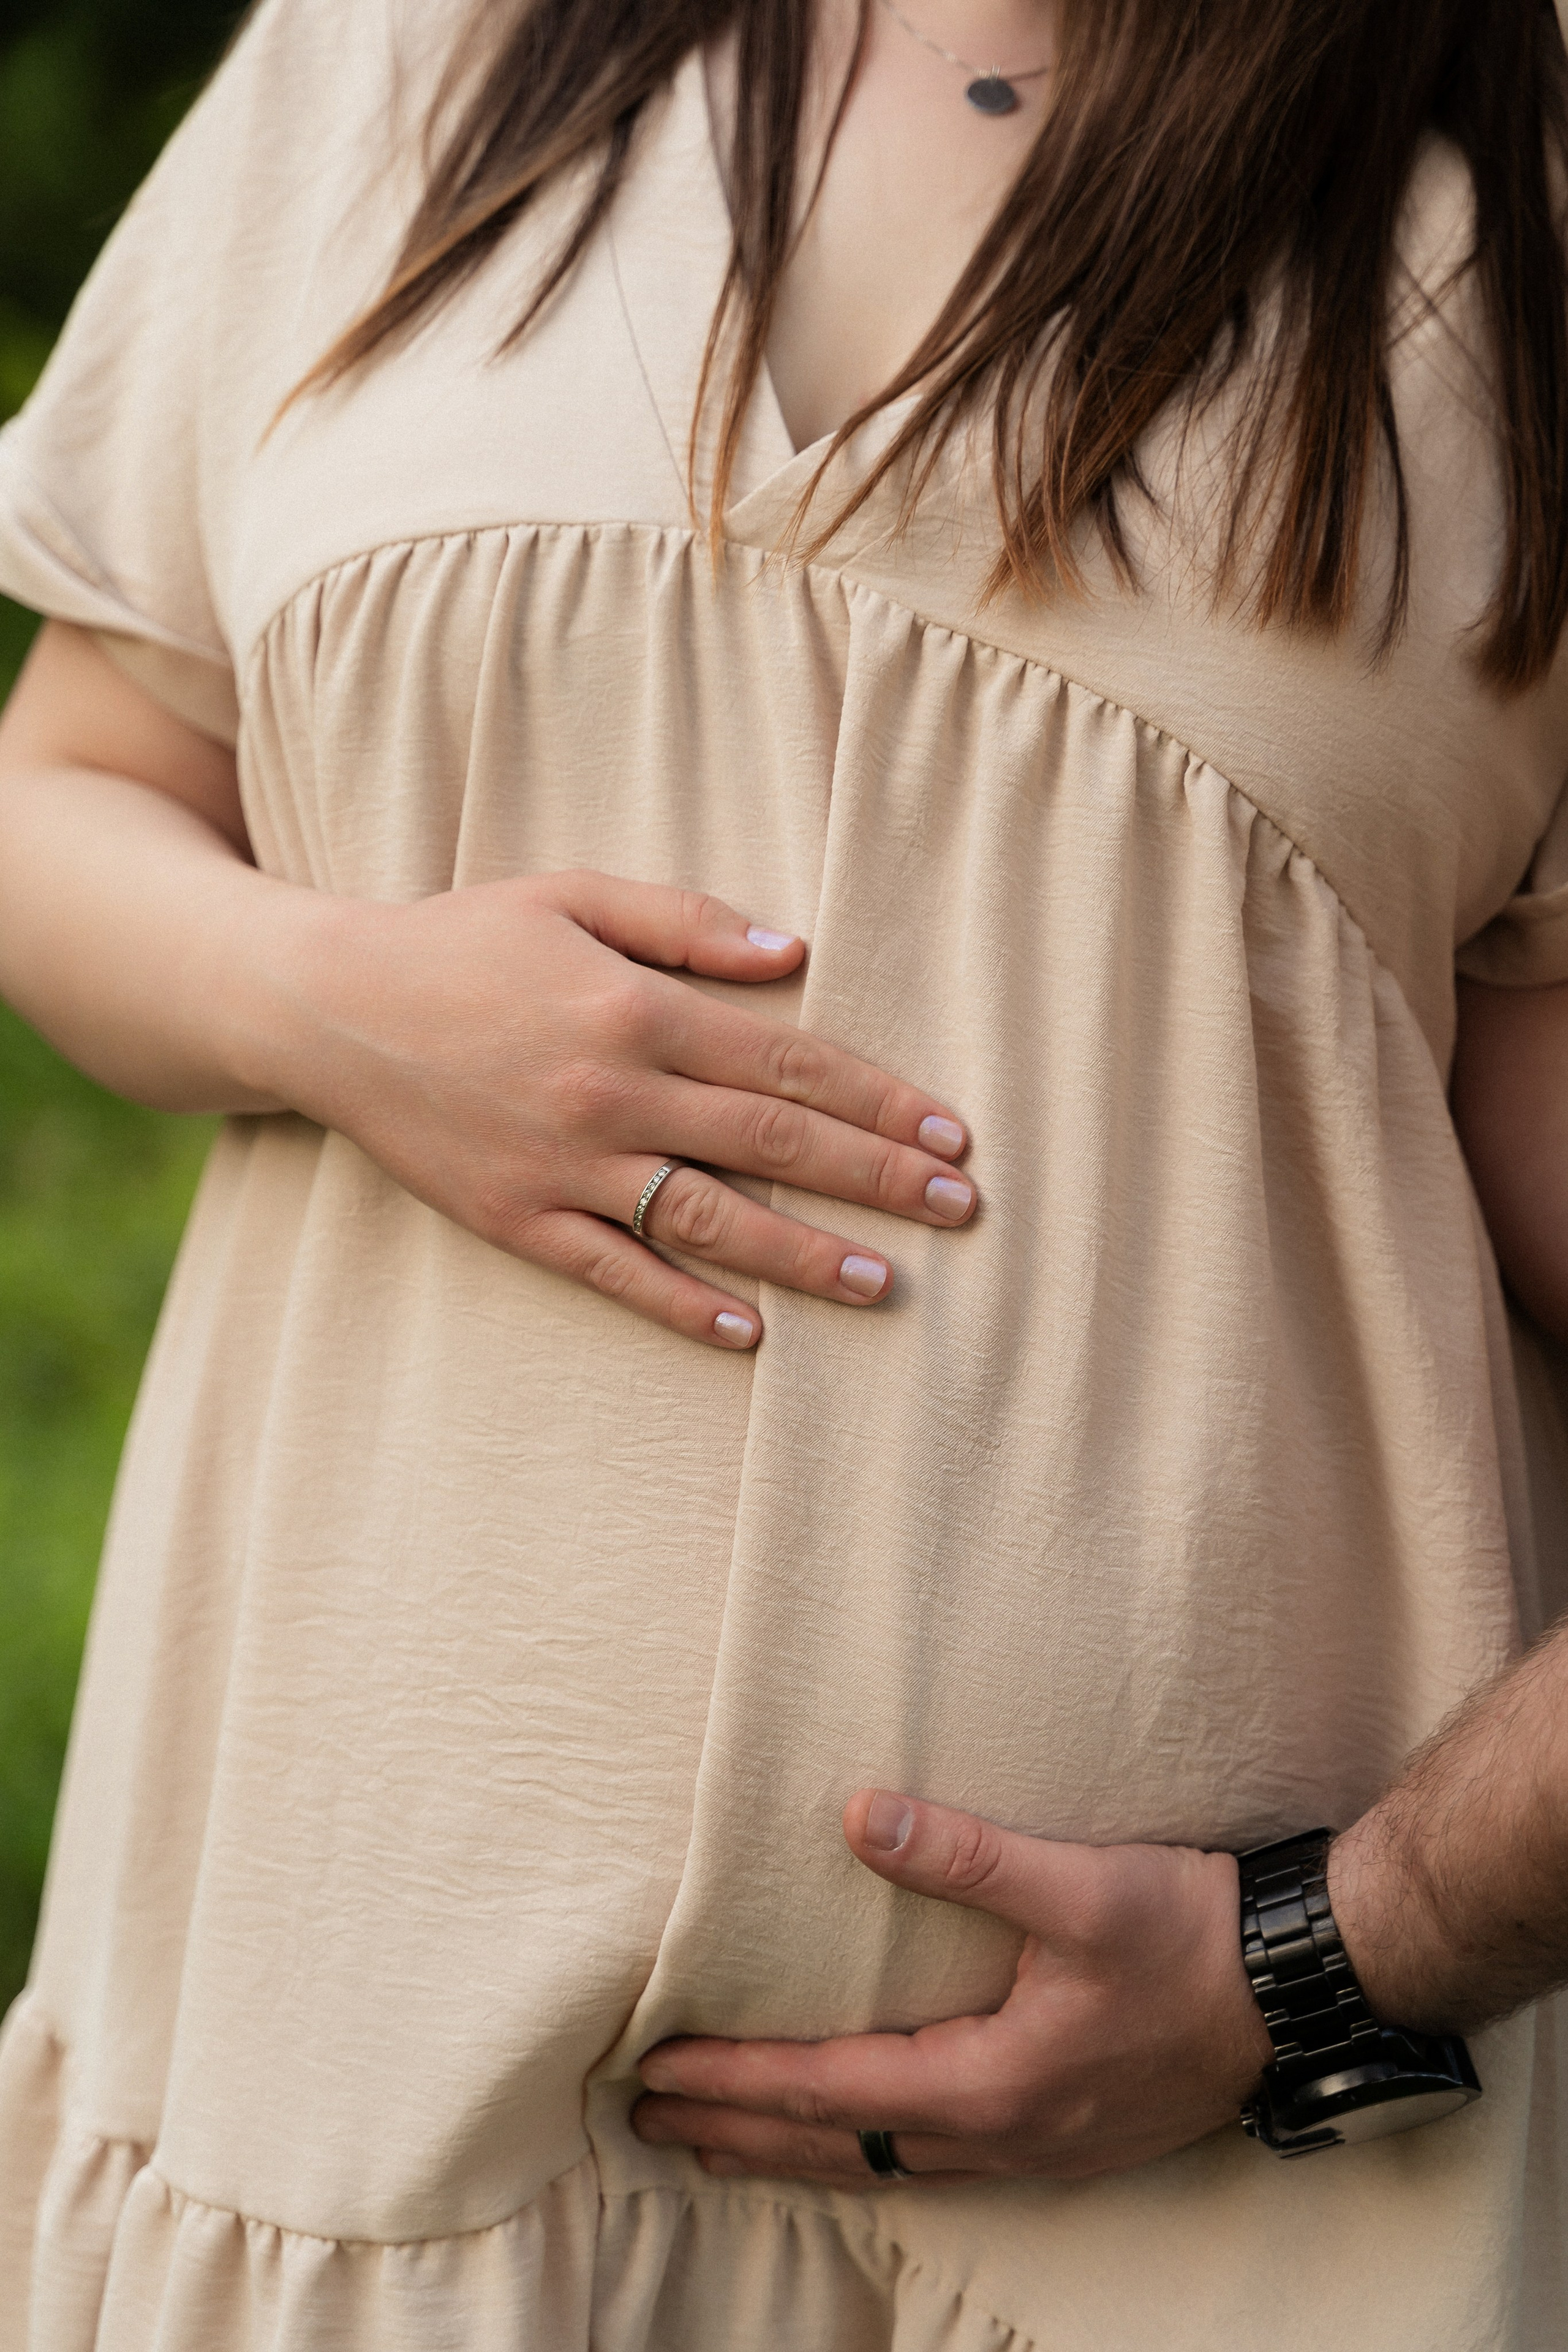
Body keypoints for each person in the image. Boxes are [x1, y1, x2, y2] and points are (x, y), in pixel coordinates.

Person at [2, 0, 1568, 2343]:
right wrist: (328, 1004)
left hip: (1198, 2249)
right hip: (351, 2136)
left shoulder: (1519, 200)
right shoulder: (407, 56)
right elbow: (64, 791)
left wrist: (1342, 1957)